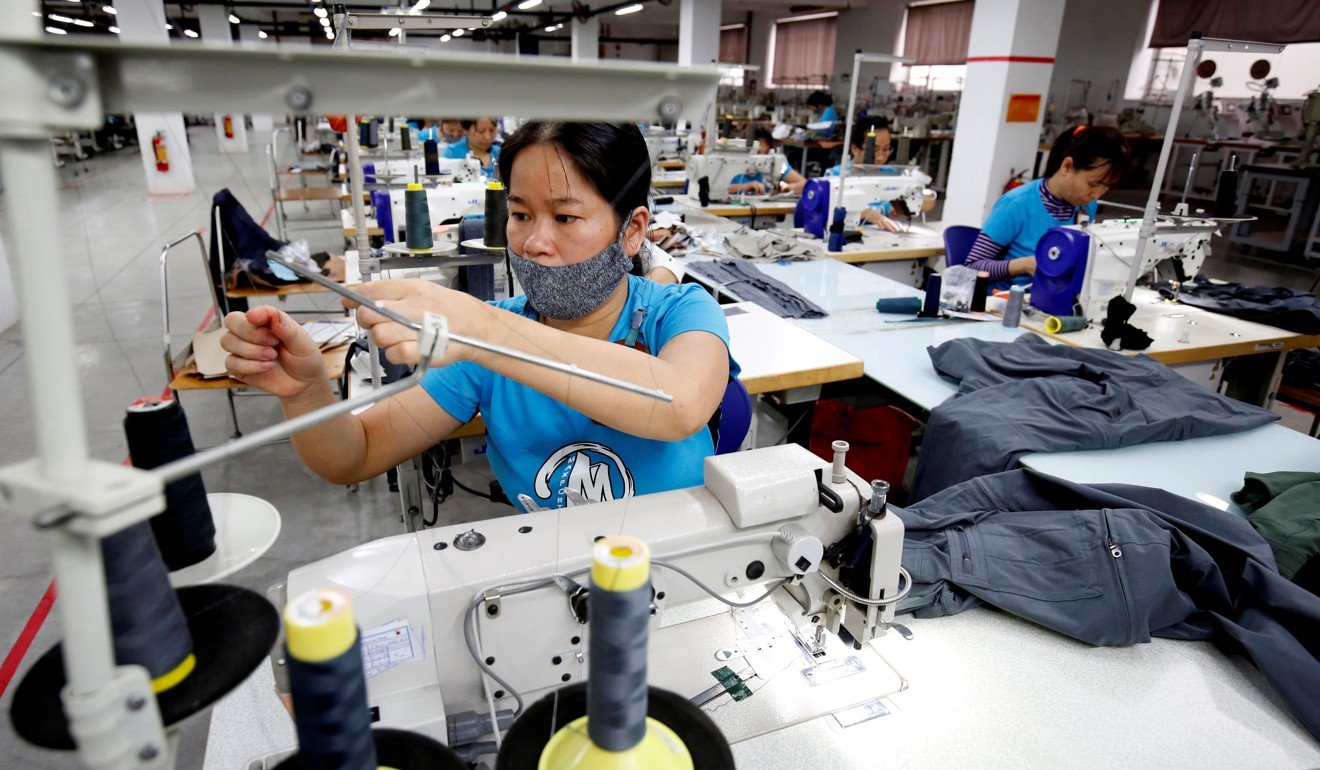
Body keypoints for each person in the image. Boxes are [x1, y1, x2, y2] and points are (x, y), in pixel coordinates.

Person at [221, 122, 736, 512]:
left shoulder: (679, 312)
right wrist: (306, 394)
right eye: (519, 215)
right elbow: (355, 454)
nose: (534, 242)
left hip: (677, 564)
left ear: (631, 230)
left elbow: (679, 403)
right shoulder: (481, 344)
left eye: (565, 217)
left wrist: (482, 330)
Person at [965, 125, 1130, 291]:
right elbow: (971, 267)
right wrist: (1022, 265)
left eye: (1106, 187)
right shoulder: (1017, 204)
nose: (1097, 194)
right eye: (1093, 183)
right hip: (1006, 304)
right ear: (1067, 166)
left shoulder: (1086, 206)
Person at [825, 118, 936, 232]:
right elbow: (826, 207)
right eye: (875, 150)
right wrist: (868, 214)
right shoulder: (837, 175)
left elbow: (927, 205)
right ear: (855, 148)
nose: (881, 157)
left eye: (886, 149)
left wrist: (920, 193)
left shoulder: (892, 174)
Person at [727, 127, 808, 195]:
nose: (762, 157)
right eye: (757, 152)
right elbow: (716, 189)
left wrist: (785, 188)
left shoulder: (776, 165)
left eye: (766, 152)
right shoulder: (733, 163)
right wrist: (746, 186)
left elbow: (804, 184)